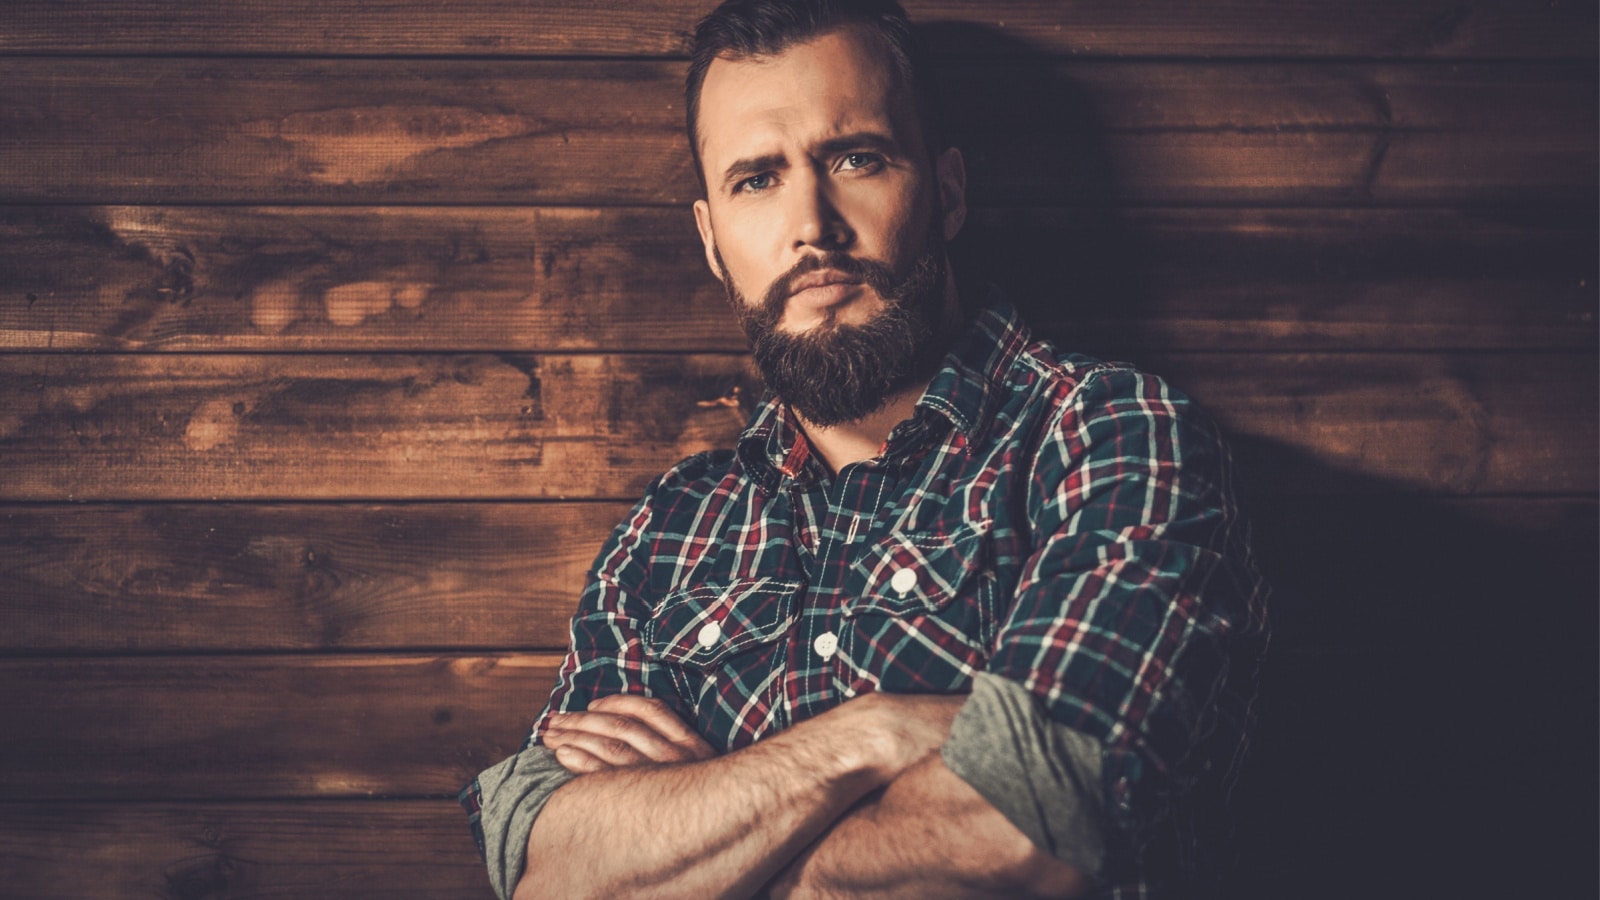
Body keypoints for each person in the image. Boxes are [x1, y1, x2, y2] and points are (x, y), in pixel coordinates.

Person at [461, 1, 1270, 896]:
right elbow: (547, 873)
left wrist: (697, 845)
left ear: (948, 192)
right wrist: (873, 737)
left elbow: (1025, 832)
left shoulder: (1113, 436)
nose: (812, 225)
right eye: (756, 180)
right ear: (712, 242)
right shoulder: (666, 534)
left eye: (857, 159)